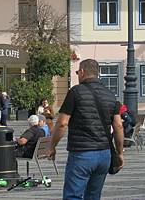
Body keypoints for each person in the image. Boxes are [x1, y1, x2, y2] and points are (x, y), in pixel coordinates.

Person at [49, 59, 124, 200]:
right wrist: (120, 153)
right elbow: (118, 126)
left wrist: (52, 146)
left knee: (73, 195)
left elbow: (62, 123)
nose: (78, 75)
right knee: (94, 196)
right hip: (104, 154)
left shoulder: (75, 92)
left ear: (82, 72)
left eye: (77, 72)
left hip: (82, 154)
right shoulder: (110, 95)